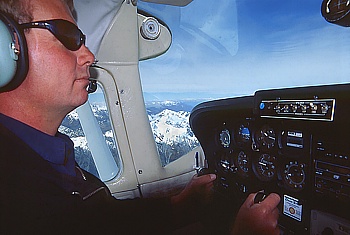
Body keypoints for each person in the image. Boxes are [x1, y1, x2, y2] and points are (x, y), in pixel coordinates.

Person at [0, 0, 280, 234]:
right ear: (4, 48)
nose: (88, 55)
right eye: (67, 37)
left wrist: (180, 205)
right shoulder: (15, 201)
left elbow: (101, 222)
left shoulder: (44, 158)